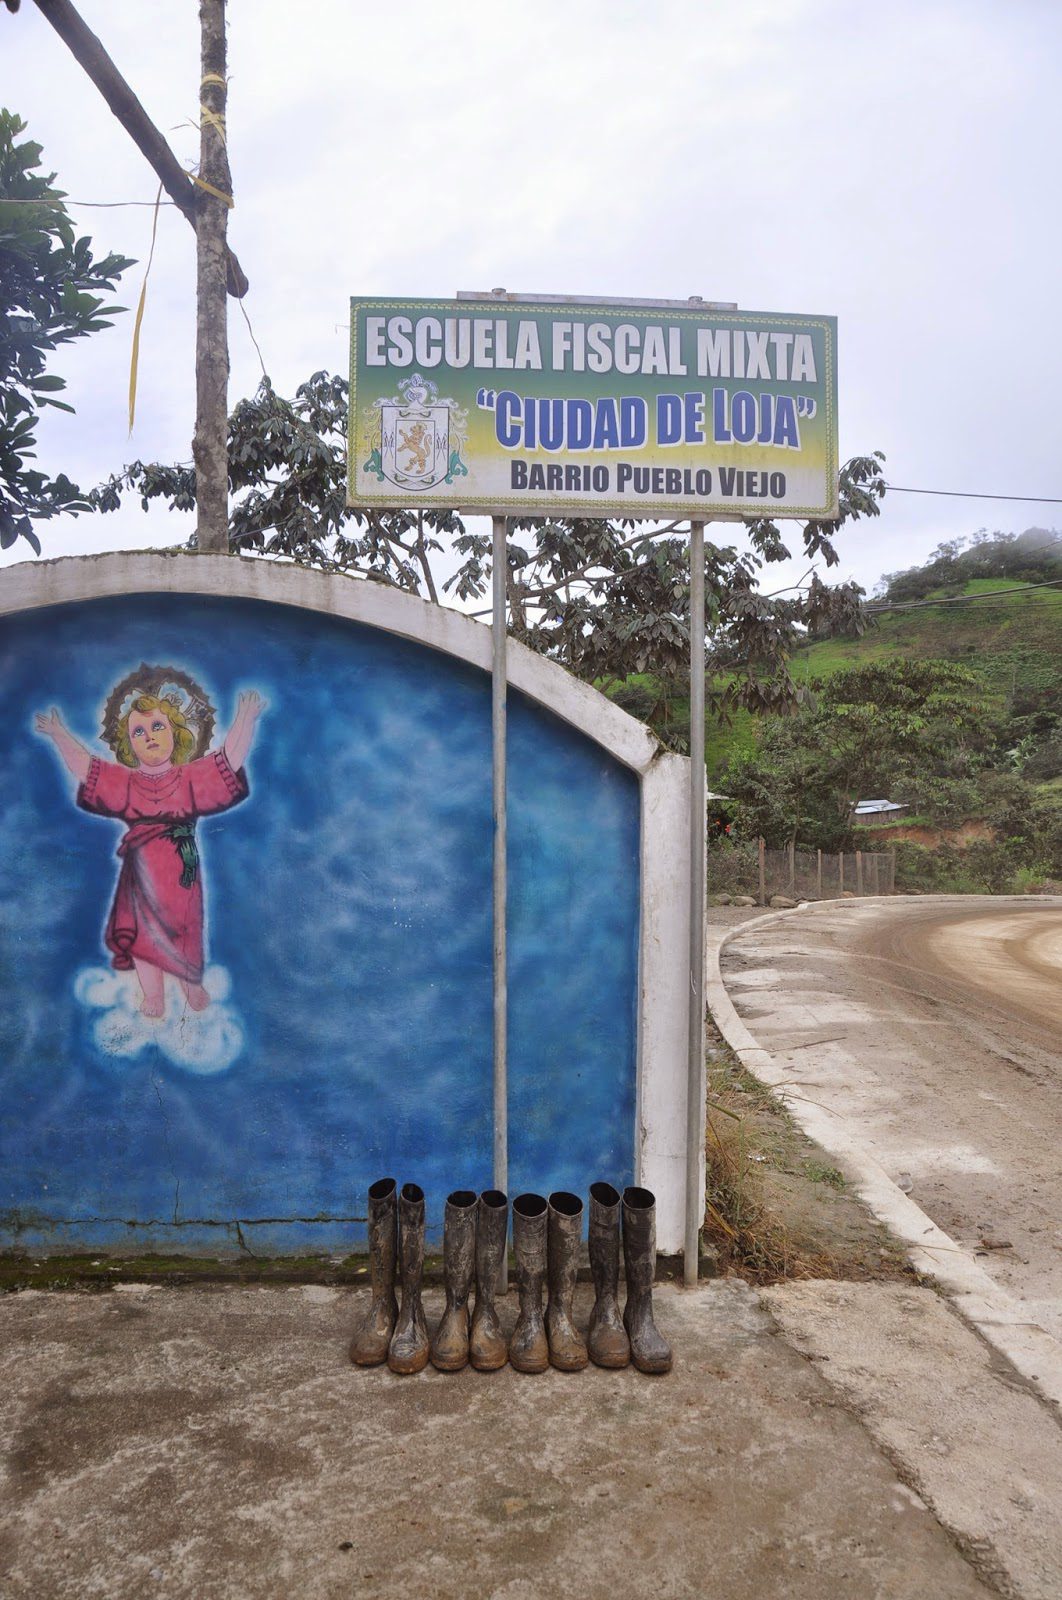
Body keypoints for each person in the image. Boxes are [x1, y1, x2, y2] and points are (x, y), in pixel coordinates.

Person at [35, 685, 266, 1018]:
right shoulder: (127, 785)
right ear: (129, 744)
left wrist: (245, 718)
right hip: (140, 876)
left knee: (187, 927)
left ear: (176, 732)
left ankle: (190, 984)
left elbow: (228, 762)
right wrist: (59, 734)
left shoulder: (189, 778)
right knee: (142, 933)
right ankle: (153, 995)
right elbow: (87, 769)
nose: (149, 736)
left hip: (181, 872)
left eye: (158, 726)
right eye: (138, 731)